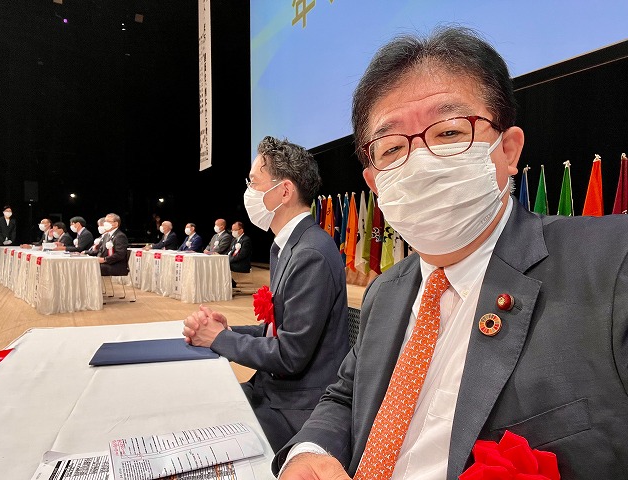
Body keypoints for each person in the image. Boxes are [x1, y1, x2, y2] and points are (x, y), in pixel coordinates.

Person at [273, 26, 628, 480]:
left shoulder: (611, 264)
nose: (421, 161)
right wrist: (309, 450)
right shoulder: (386, 291)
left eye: (449, 132)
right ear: (375, 183)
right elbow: (346, 396)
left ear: (509, 150)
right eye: (392, 148)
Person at [183, 136, 349, 453]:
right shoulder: (288, 246)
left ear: (284, 191)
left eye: (253, 182)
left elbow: (290, 355)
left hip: (297, 408)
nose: (249, 191)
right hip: (275, 390)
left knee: (197, 431)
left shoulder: (310, 254)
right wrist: (226, 331)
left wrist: (218, 339)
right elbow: (277, 329)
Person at [0, 205, 16, 276]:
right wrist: (3, 240)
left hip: (9, 242)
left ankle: (7, 274)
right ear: (3, 212)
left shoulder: (13, 221)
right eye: (7, 211)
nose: (8, 212)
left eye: (10, 211)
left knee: (9, 257)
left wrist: (11, 240)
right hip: (0, 241)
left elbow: (14, 232)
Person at [227, 221, 252, 287]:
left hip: (241, 263)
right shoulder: (234, 240)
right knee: (222, 264)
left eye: (235, 230)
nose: (233, 232)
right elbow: (230, 252)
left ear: (241, 230)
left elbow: (242, 255)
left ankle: (231, 283)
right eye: (232, 230)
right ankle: (229, 282)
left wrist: (228, 260)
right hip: (233, 261)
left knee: (224, 265)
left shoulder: (246, 240)